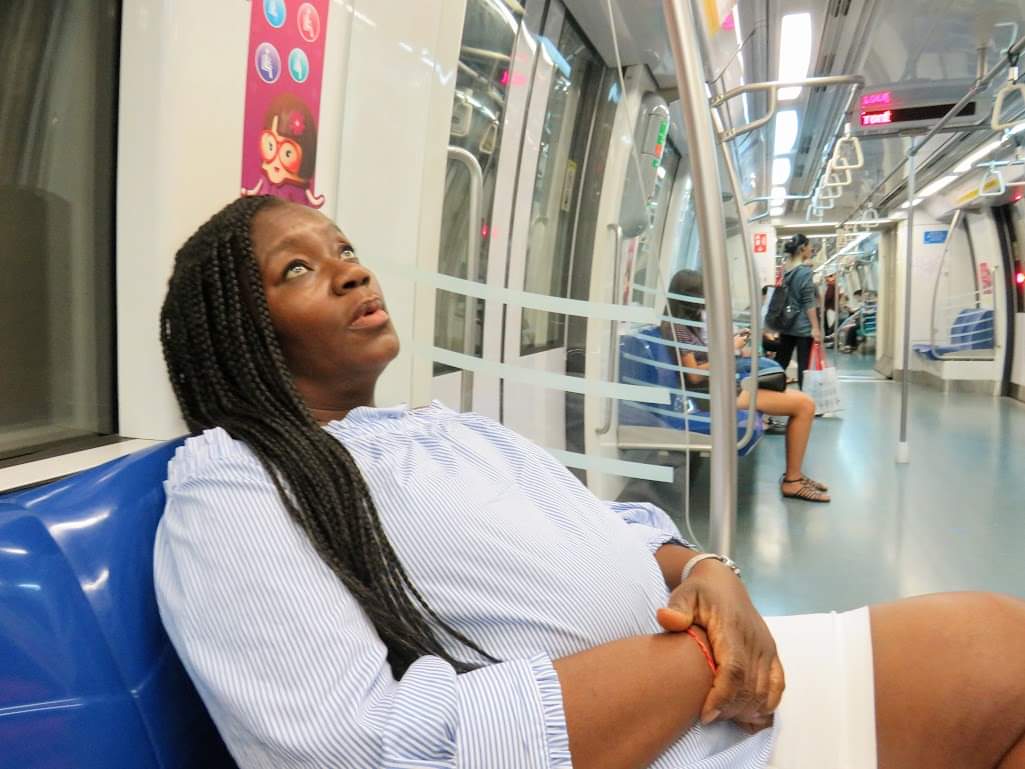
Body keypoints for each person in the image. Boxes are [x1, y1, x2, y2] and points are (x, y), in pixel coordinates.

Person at [156, 197, 1025, 769]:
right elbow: (351, 748)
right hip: (666, 731)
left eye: (344, 248)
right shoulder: (237, 485)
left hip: (703, 705)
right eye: (297, 269)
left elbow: (615, 523)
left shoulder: (432, 427)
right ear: (236, 333)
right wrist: (696, 655)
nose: (353, 269)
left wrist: (706, 572)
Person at [663, 270, 829, 502]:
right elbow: (694, 377)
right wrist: (731, 350)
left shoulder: (684, 325)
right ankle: (792, 481)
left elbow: (702, 361)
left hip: (719, 388)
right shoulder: (678, 329)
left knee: (801, 402)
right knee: (804, 406)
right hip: (707, 395)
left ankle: (795, 476)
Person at [774, 234, 822, 389]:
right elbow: (808, 302)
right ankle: (804, 397)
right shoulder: (805, 272)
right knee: (804, 366)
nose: (811, 249)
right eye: (809, 246)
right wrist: (815, 327)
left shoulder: (785, 270)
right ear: (802, 248)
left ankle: (769, 392)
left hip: (787, 323)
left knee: (781, 362)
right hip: (803, 327)